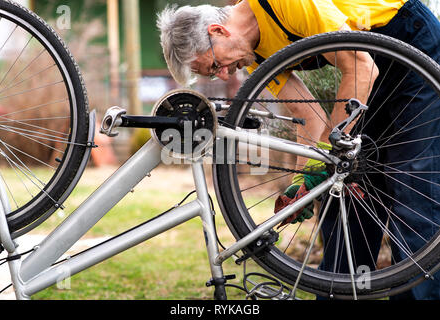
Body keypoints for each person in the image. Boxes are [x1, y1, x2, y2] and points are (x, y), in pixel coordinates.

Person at [157, 0, 440, 299]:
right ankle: (340, 294)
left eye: (215, 66)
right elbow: (309, 116)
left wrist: (327, 159)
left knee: (412, 187)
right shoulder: (253, 52)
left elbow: (360, 66)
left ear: (218, 31)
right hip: (368, 72)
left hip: (409, 46)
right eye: (214, 75)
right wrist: (304, 180)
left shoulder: (285, 4)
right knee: (343, 191)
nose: (226, 75)